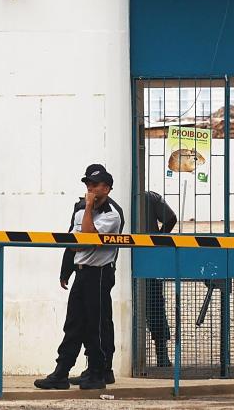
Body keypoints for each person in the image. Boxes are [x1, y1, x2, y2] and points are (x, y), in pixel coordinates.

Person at [34, 163, 124, 391]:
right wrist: (66, 269)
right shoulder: (80, 209)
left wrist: (88, 210)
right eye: (87, 184)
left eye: (95, 185)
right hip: (82, 272)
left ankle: (98, 372)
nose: (90, 189)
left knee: (97, 324)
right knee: (73, 324)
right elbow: (73, 242)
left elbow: (85, 240)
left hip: (100, 274)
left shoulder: (111, 214)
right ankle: (61, 372)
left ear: (107, 188)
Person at [141, 190, 178, 367]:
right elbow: (171, 218)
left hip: (127, 257)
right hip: (150, 259)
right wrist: (158, 239)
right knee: (155, 306)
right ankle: (161, 356)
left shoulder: (115, 201)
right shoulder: (151, 197)